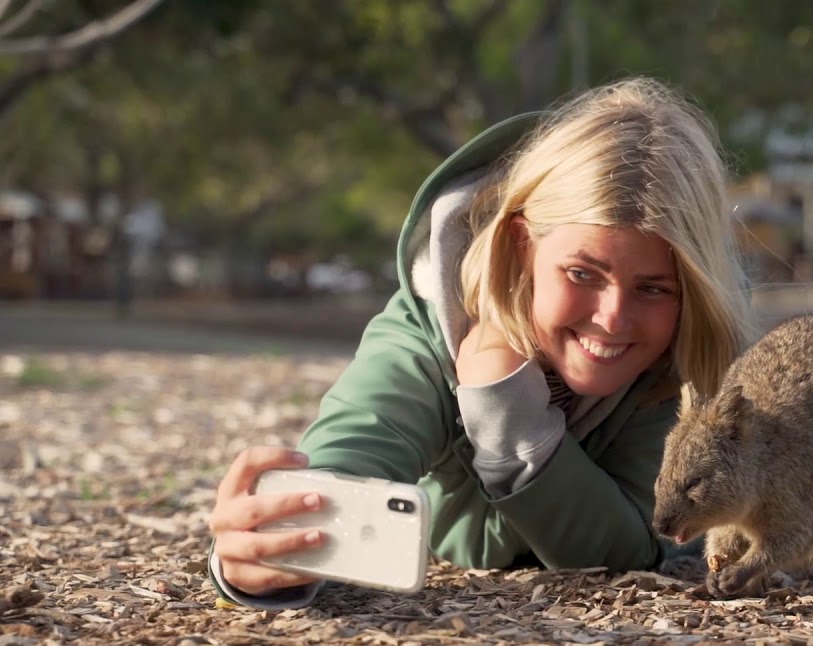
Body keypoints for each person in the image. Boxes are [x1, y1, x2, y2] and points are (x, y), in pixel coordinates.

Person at [205, 77, 757, 609]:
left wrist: (507, 414)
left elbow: (631, 549)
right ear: (522, 245)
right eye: (583, 274)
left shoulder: (682, 361)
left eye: (654, 288)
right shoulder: (430, 324)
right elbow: (354, 452)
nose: (612, 319)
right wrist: (264, 555)